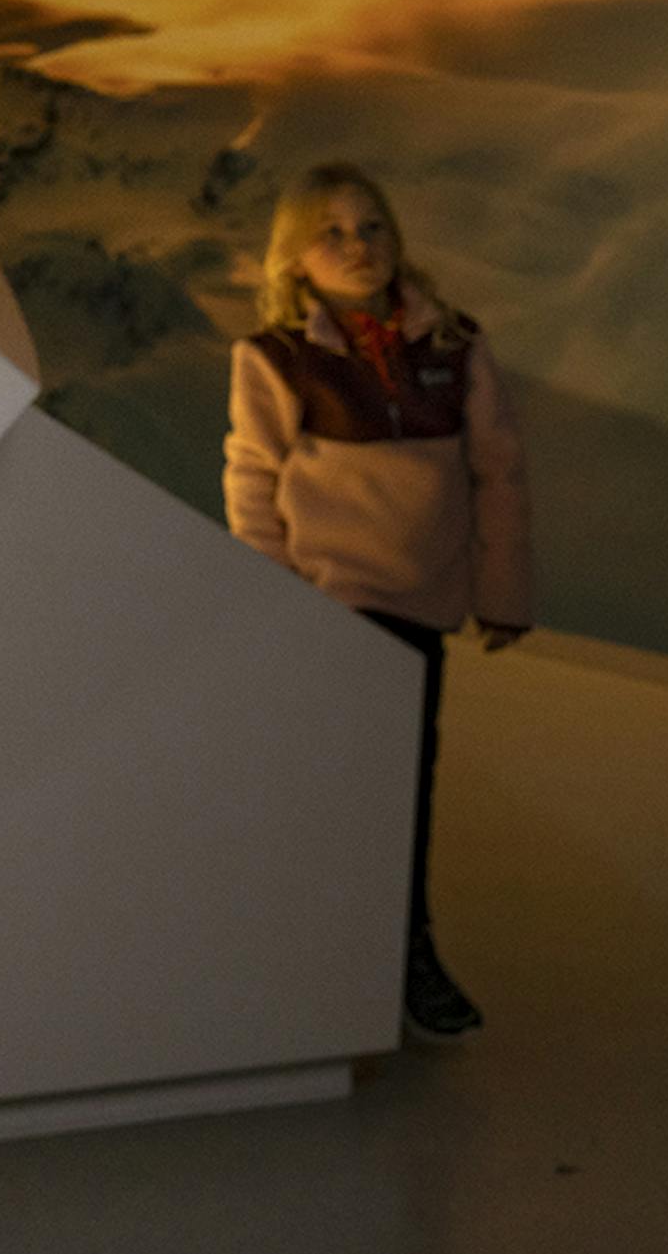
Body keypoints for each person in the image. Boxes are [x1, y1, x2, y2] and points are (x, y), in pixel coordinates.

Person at [225, 162, 532, 1044]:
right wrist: (273, 604)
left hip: (419, 608)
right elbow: (253, 480)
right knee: (333, 791)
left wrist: (502, 592)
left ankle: (402, 949)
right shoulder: (276, 358)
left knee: (403, 790)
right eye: (334, 232)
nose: (359, 247)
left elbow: (500, 474)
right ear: (294, 258)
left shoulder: (455, 348)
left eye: (373, 228)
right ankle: (329, 962)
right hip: (328, 606)